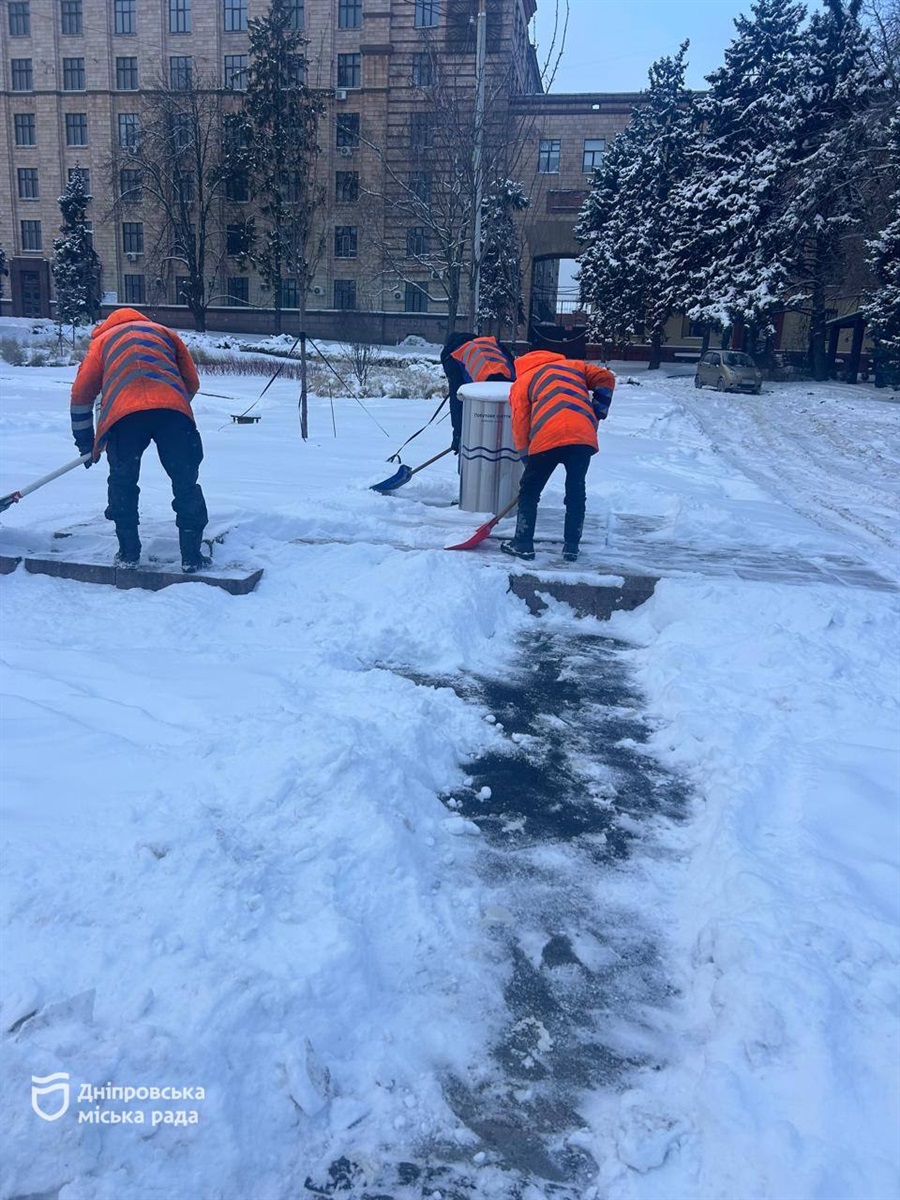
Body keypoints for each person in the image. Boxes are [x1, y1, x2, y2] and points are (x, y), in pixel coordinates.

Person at [69, 306, 210, 572]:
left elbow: (81, 395)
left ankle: (128, 554)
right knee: (185, 482)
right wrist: (168, 405)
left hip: (124, 419)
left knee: (123, 482)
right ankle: (191, 556)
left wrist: (86, 442)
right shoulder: (165, 333)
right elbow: (192, 382)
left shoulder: (102, 342)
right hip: (172, 416)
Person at [503, 349, 616, 563]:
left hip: (547, 438)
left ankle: (523, 544)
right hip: (582, 437)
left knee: (529, 491)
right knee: (575, 490)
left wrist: (526, 458)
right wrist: (598, 410)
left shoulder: (523, 381)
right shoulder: (574, 366)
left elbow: (519, 423)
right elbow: (606, 378)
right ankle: (571, 547)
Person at [440, 332, 515, 453]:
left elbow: (457, 399)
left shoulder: (454, 355)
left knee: (486, 438)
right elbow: (513, 363)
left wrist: (458, 435)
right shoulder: (491, 343)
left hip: (485, 391)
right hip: (511, 388)